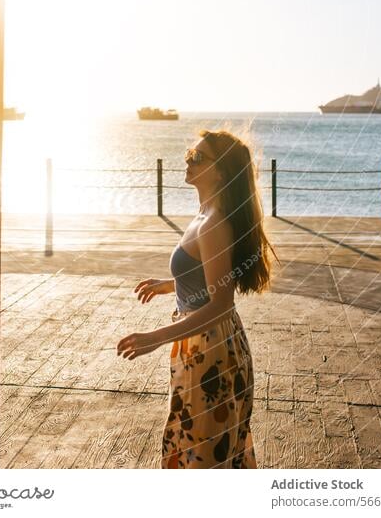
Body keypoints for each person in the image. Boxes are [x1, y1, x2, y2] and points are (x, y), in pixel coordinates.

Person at [116, 128, 280, 468]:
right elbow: (208, 277)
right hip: (205, 346)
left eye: (198, 157)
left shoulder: (213, 223)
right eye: (190, 154)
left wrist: (155, 337)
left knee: (203, 454)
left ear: (220, 171)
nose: (188, 161)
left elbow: (221, 304)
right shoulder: (206, 214)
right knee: (197, 443)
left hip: (210, 351)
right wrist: (171, 283)